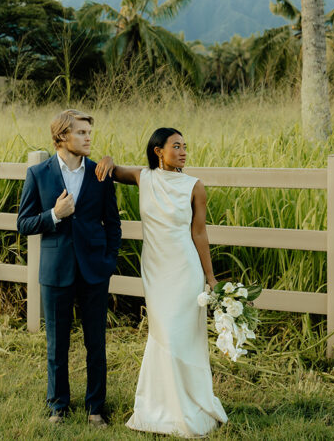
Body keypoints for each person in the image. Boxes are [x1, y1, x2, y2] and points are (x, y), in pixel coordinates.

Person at [97, 127, 227, 437]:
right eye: (176, 146)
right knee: (162, 333)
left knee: (180, 336)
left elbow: (199, 232)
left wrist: (210, 277)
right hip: (155, 270)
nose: (183, 151)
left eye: (185, 146)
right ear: (159, 151)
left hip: (184, 270)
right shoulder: (144, 177)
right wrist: (107, 157)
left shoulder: (195, 186)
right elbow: (110, 170)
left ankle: (187, 406)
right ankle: (159, 406)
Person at [16, 109, 122, 427]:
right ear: (62, 136)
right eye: (81, 133)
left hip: (94, 270)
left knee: (96, 343)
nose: (88, 138)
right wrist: (55, 214)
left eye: (90, 133)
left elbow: (113, 224)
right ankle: (58, 406)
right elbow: (23, 223)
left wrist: (108, 260)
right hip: (55, 269)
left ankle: (95, 408)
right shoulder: (39, 174)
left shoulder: (99, 174)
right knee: (57, 342)